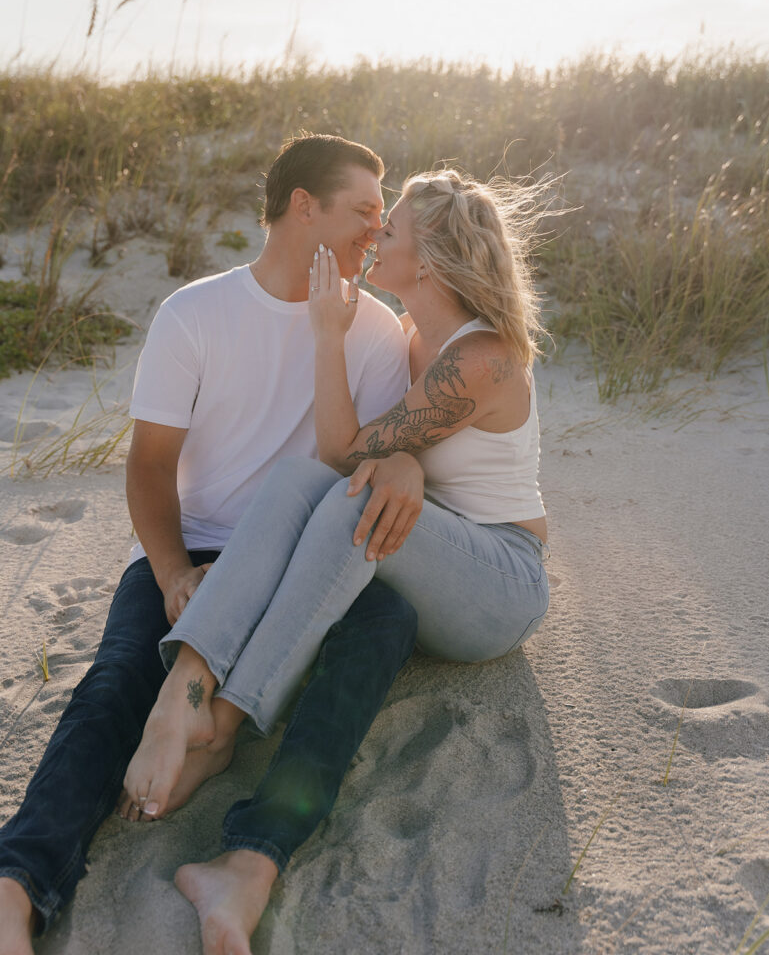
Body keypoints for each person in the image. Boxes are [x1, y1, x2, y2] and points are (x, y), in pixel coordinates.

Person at [0, 134, 424, 955]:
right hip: (194, 548)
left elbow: (362, 462)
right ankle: (17, 884)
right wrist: (170, 573)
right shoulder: (194, 312)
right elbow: (152, 467)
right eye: (364, 210)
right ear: (304, 207)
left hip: (306, 563)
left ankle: (249, 857)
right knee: (117, 681)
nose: (378, 228)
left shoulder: (375, 328)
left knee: (384, 626)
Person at [123, 168, 551, 953]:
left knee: (342, 489)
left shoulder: (480, 356)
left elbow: (346, 453)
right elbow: (342, 462)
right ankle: (187, 685)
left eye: (390, 231)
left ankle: (221, 720)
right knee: (298, 481)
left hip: (497, 583)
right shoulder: (412, 336)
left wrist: (330, 340)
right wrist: (402, 459)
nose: (373, 236)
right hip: (425, 553)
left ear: (426, 261)